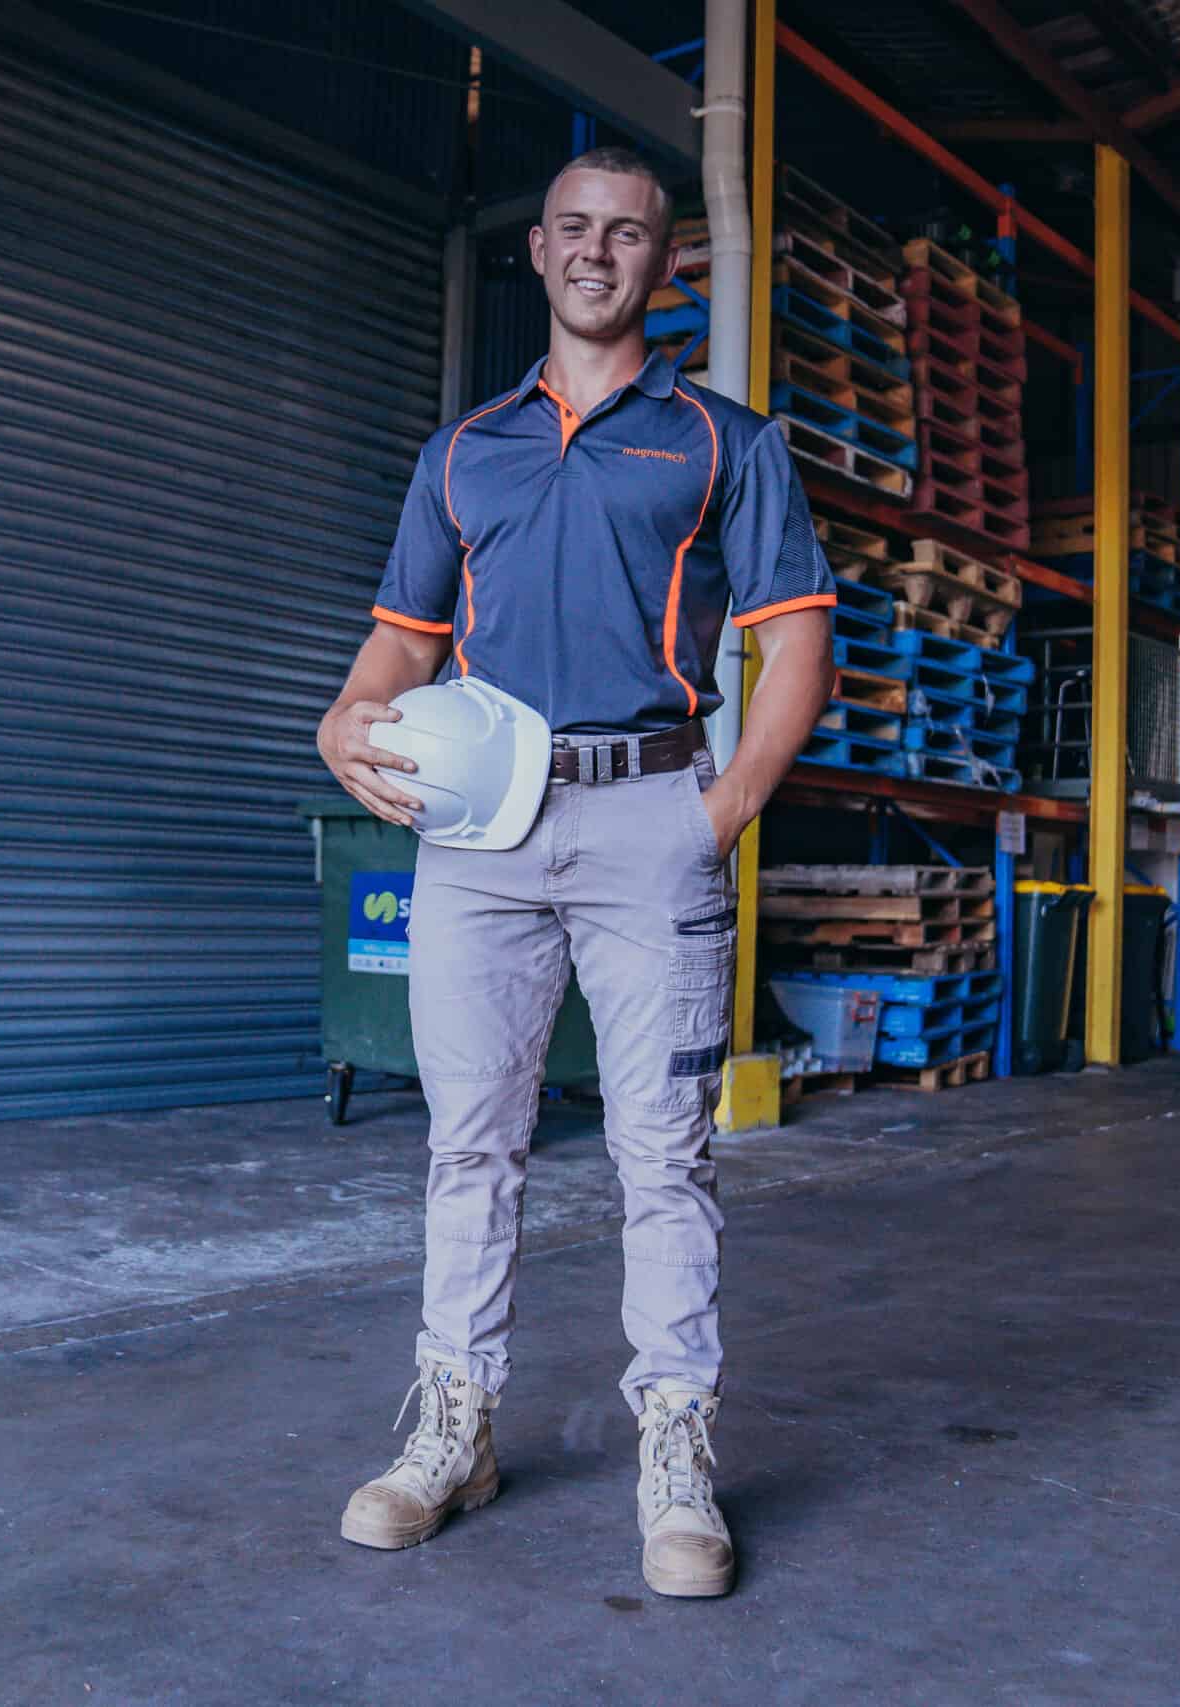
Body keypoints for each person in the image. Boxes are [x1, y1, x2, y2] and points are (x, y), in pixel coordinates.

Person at [314, 147, 835, 1599]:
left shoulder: (724, 441)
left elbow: (795, 640)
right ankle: (455, 1427)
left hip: (647, 816)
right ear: (537, 253)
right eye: (575, 230)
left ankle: (677, 1448)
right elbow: (401, 646)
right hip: (478, 845)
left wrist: (720, 809)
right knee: (467, 1142)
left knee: (663, 1153)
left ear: (666, 267)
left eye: (630, 234)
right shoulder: (462, 451)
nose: (599, 252)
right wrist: (339, 717)